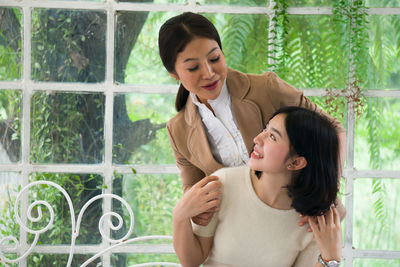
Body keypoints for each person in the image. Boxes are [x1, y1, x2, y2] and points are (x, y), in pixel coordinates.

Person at [158, 12, 346, 225]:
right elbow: (192, 192)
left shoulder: (266, 88)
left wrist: (327, 192)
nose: (209, 73)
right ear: (174, 74)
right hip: (240, 232)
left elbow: (333, 128)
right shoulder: (178, 130)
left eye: (214, 58)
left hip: (303, 220)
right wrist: (195, 211)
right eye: (193, 67)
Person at [173, 106, 343, 266]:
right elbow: (191, 261)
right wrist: (180, 216)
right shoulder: (223, 184)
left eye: (272, 137)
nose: (257, 139)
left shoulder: (311, 223)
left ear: (296, 162)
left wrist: (330, 259)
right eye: (265, 129)